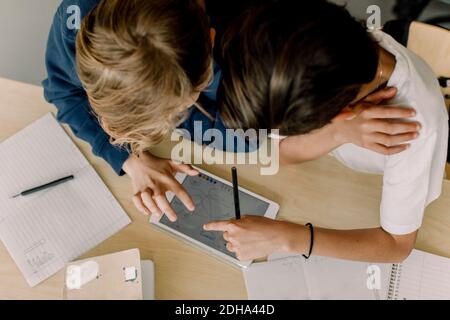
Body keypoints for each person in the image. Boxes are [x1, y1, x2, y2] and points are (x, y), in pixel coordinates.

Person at [44, 0, 420, 223]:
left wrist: (334, 129)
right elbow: (63, 92)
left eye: (179, 109)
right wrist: (129, 158)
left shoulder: (259, 43)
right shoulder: (82, 16)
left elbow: (261, 136)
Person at [205, 0, 449, 263]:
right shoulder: (327, 47)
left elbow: (396, 246)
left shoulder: (413, 130)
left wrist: (285, 237)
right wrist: (338, 133)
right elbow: (280, 153)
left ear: (339, 113)